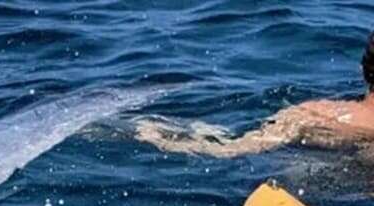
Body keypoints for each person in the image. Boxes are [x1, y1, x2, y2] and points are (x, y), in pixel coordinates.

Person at [135, 32, 374, 158]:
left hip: (327, 195)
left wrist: (163, 139)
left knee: (299, 168)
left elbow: (231, 151)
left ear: (362, 71)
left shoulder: (317, 115)